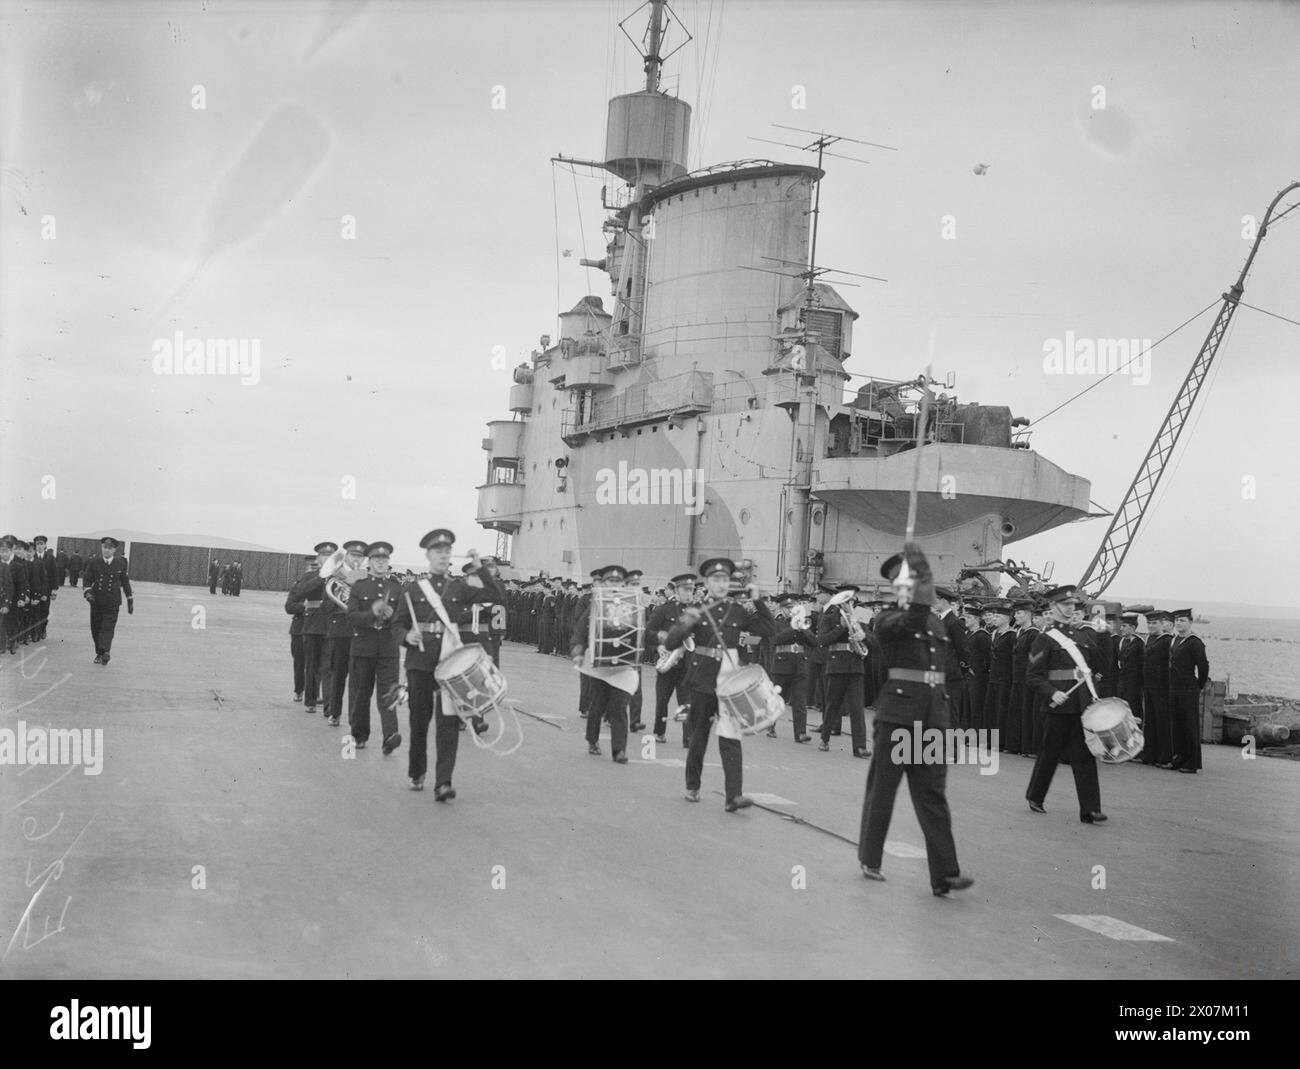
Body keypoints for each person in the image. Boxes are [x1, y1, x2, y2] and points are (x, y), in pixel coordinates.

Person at [858, 543, 974, 896]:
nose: (910, 587)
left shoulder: (936, 621)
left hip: (932, 718)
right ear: (897, 586)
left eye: (914, 581)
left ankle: (945, 875)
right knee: (883, 791)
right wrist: (922, 574)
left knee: (932, 796)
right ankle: (870, 858)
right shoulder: (889, 619)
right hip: (898, 717)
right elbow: (914, 615)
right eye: (905, 582)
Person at [392, 530, 503, 797]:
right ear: (428, 556)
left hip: (450, 661)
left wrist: (480, 569)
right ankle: (417, 772)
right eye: (437, 552)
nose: (443, 556)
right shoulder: (414, 589)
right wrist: (406, 636)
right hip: (419, 662)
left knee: (449, 722)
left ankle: (443, 782)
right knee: (419, 721)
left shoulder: (459, 587)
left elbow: (494, 595)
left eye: (446, 552)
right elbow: (397, 624)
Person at [662, 558, 775, 811]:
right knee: (698, 735)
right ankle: (692, 786)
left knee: (731, 736)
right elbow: (671, 643)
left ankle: (733, 796)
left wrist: (758, 600)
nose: (722, 584)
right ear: (707, 583)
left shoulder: (737, 610)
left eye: (725, 580)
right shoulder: (696, 609)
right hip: (702, 679)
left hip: (731, 680)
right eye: (716, 580)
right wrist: (686, 624)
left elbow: (768, 629)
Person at [1024, 584, 1105, 823]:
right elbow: (1033, 675)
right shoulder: (1044, 639)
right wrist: (1051, 693)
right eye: (1066, 605)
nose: (1071, 609)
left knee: (1084, 754)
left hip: (1081, 704)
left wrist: (1101, 631)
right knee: (1050, 753)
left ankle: (1090, 809)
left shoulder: (1083, 635)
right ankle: (1035, 796)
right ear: (1053, 607)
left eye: (1073, 605)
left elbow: (1097, 666)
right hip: (1058, 705)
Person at [570, 565, 638, 764]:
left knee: (619, 707)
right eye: (611, 581)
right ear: (604, 583)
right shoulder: (595, 605)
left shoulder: (631, 605)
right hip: (599, 663)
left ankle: (619, 750)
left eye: (618, 582)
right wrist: (577, 650)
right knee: (598, 704)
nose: (614, 585)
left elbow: (641, 629)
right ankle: (592, 740)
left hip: (622, 663)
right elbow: (580, 631)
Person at [346, 541, 404, 755]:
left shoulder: (397, 588)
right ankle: (359, 735)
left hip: (388, 649)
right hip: (363, 648)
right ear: (369, 562)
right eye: (377, 559)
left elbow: (405, 620)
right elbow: (351, 616)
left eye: (384, 559)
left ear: (388, 563)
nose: (381, 563)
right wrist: (372, 614)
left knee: (388, 694)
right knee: (362, 693)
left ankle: (390, 736)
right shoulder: (359, 587)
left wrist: (393, 616)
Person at [816, 585, 871, 758]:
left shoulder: (861, 616)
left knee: (857, 708)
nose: (849, 604)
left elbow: (874, 641)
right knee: (833, 704)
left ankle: (860, 747)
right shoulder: (829, 616)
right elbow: (822, 640)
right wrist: (840, 627)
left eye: (852, 600)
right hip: (837, 665)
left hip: (855, 665)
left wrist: (864, 636)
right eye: (846, 600)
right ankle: (825, 738)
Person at [648, 573, 696, 745]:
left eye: (692, 590)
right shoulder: (664, 609)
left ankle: (688, 737)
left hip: (687, 664)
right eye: (686, 590)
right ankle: (659, 732)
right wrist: (658, 647)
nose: (689, 593)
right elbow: (649, 632)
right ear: (676, 590)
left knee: (686, 702)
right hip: (668, 663)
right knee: (662, 700)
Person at [324, 540, 367, 727]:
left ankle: (353, 718)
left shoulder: (366, 578)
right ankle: (335, 713)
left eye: (360, 556)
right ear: (347, 556)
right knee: (338, 674)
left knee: (357, 679)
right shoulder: (335, 577)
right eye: (353, 555)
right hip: (340, 630)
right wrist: (340, 599)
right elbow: (326, 607)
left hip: (359, 632)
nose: (356, 558)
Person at [291, 542, 337, 716]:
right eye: (324, 555)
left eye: (330, 556)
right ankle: (310, 700)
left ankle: (329, 706)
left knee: (328, 667)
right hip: (312, 626)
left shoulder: (339, 576)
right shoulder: (311, 576)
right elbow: (301, 592)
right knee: (311, 665)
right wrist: (322, 577)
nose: (327, 558)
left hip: (331, 626)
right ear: (318, 558)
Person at [769, 594, 814, 743]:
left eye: (793, 608)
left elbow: (814, 641)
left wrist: (803, 629)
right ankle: (770, 725)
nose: (791, 611)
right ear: (782, 609)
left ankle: (800, 733)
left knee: (800, 701)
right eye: (788, 608)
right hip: (782, 664)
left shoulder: (802, 623)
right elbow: (776, 639)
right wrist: (793, 628)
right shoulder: (776, 622)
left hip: (799, 664)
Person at [1168, 609, 1209, 773]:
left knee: (1189, 725)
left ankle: (1192, 763)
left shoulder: (1194, 642)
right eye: (1177, 620)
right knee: (1177, 725)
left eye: (1182, 620)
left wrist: (1198, 685)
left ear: (1190, 622)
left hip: (1188, 687)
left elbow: (1203, 666)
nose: (1179, 623)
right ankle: (1180, 758)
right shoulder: (1175, 640)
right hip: (1174, 687)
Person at [81, 536, 133, 665]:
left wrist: (129, 599)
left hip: (112, 602)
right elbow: (87, 579)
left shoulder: (120, 564)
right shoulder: (94, 563)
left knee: (107, 627)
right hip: (96, 601)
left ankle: (106, 652)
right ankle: (99, 652)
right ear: (102, 548)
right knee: (96, 628)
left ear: (114, 550)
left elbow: (125, 583)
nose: (107, 550)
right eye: (105, 547)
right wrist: (88, 592)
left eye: (110, 548)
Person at [1141, 611, 1173, 766]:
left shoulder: (1167, 640)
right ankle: (1149, 754)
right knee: (1150, 721)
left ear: (1162, 624)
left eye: (1154, 623)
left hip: (1162, 687)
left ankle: (1164, 756)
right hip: (1149, 686)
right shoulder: (1149, 639)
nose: (1151, 626)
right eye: (1149, 623)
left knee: (1162, 721)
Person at [1010, 598, 1041, 756]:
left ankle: (1028, 747)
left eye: (1019, 613)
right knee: (1017, 712)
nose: (1016, 616)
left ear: (1028, 614)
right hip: (1017, 677)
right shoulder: (1020, 632)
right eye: (1015, 613)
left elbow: (1035, 658)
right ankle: (1018, 745)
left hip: (1027, 679)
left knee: (1027, 713)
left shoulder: (1033, 633)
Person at [285, 555, 315, 702]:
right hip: (299, 630)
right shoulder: (297, 586)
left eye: (315, 567)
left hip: (316, 629)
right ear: (306, 568)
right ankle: (299, 690)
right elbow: (289, 607)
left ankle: (314, 694)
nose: (312, 570)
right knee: (299, 662)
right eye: (310, 567)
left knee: (316, 664)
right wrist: (305, 607)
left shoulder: (323, 588)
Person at [986, 600, 1014, 751]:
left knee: (1001, 710)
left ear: (1006, 618)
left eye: (997, 616)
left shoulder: (1011, 635)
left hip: (1005, 676)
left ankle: (1000, 742)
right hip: (994, 675)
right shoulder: (995, 633)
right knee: (992, 709)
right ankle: (990, 740)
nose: (994, 618)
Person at [1116, 612, 1145, 728]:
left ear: (1132, 628)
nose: (1121, 628)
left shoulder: (1139, 643)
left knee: (1134, 712)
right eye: (1121, 626)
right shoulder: (1121, 641)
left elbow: (1143, 665)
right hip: (1122, 683)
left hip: (1135, 685)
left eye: (1124, 626)